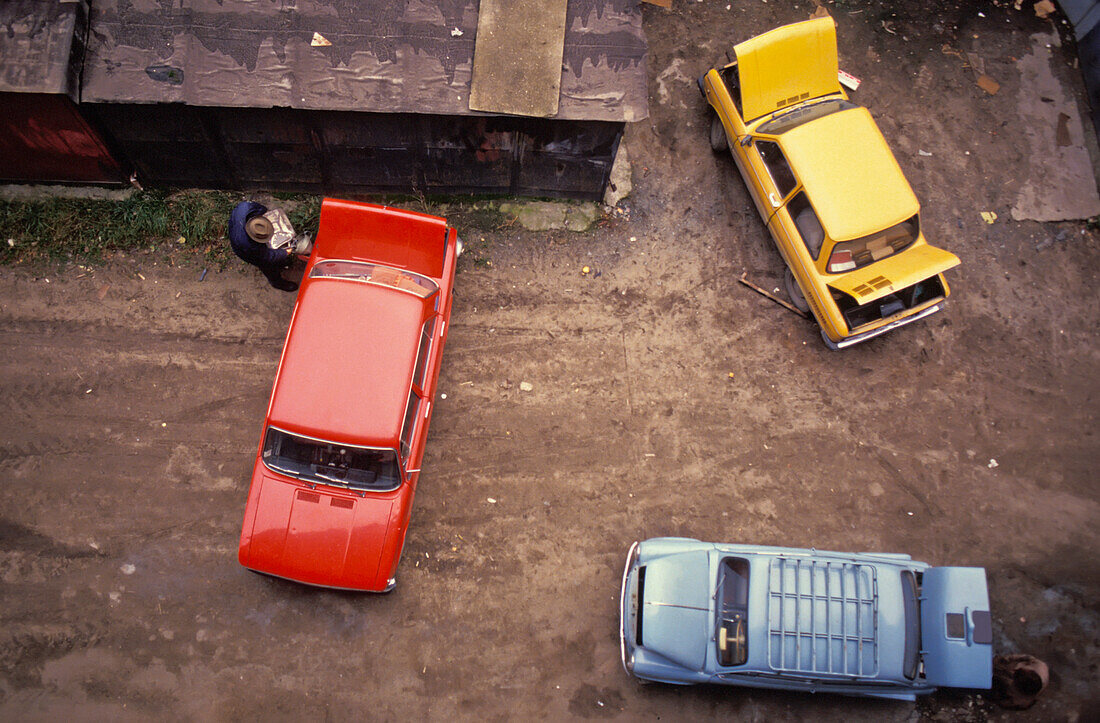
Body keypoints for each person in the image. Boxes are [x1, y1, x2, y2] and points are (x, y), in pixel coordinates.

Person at [228, 201, 298, 291]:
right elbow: (266, 255)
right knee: (266, 265)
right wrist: (284, 252)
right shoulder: (247, 244)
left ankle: (280, 262)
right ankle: (277, 282)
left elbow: (263, 209)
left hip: (238, 231)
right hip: (243, 250)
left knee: (276, 257)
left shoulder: (246, 207)